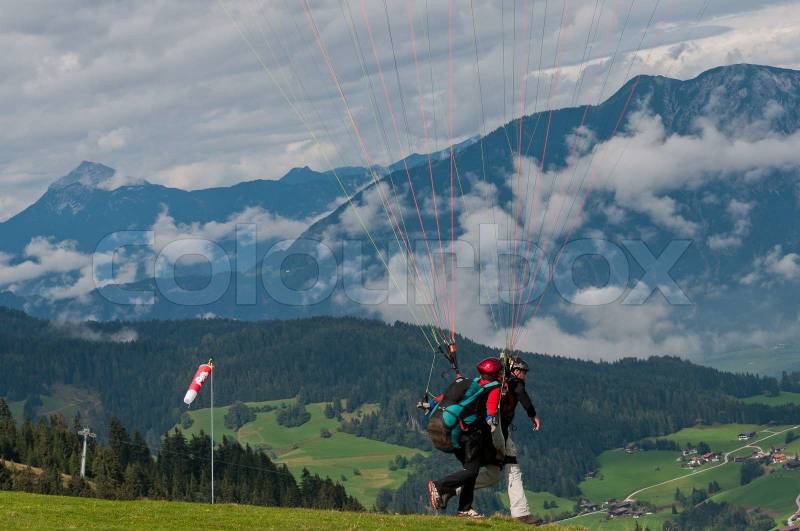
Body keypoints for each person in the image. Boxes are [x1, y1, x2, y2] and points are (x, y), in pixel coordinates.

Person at [427, 357, 503, 518]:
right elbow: (491, 409)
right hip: (471, 435)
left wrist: (431, 404)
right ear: (495, 374)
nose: (502, 374)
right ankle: (439, 486)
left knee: (470, 471)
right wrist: (492, 419)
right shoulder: (494, 387)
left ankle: (464, 508)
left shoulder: (472, 383)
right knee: (471, 471)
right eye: (500, 372)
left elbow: (443, 397)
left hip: (456, 432)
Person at [476, 356, 542, 524]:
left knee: (493, 474)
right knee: (511, 467)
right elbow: (522, 395)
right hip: (498, 433)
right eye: (524, 372)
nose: (525, 376)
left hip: (491, 431)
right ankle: (521, 513)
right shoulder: (514, 383)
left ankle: (449, 488)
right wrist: (533, 415)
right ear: (516, 371)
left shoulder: (498, 382)